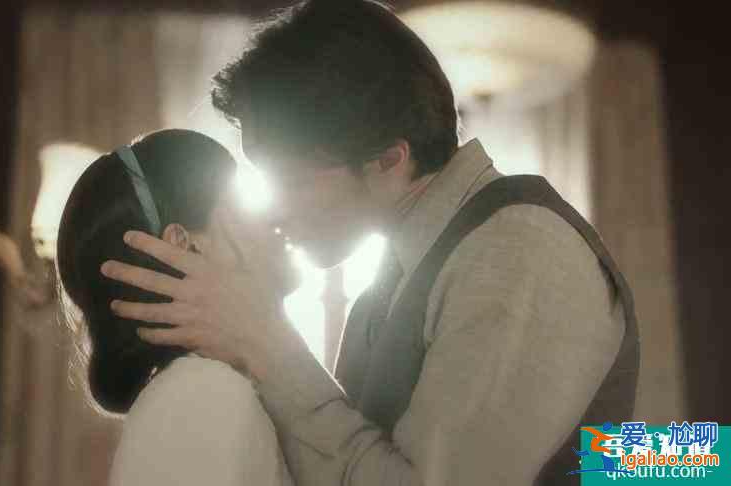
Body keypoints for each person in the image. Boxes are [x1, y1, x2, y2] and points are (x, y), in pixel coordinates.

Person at [100, 1, 640, 484]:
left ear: (388, 160)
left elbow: (648, 460)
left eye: (293, 182)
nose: (275, 210)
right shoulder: (391, 284)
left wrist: (268, 343)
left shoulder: (519, 250)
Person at [57, 129, 297, 486]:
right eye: (244, 201)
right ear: (182, 245)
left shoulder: (209, 391)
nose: (278, 215)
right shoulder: (204, 397)